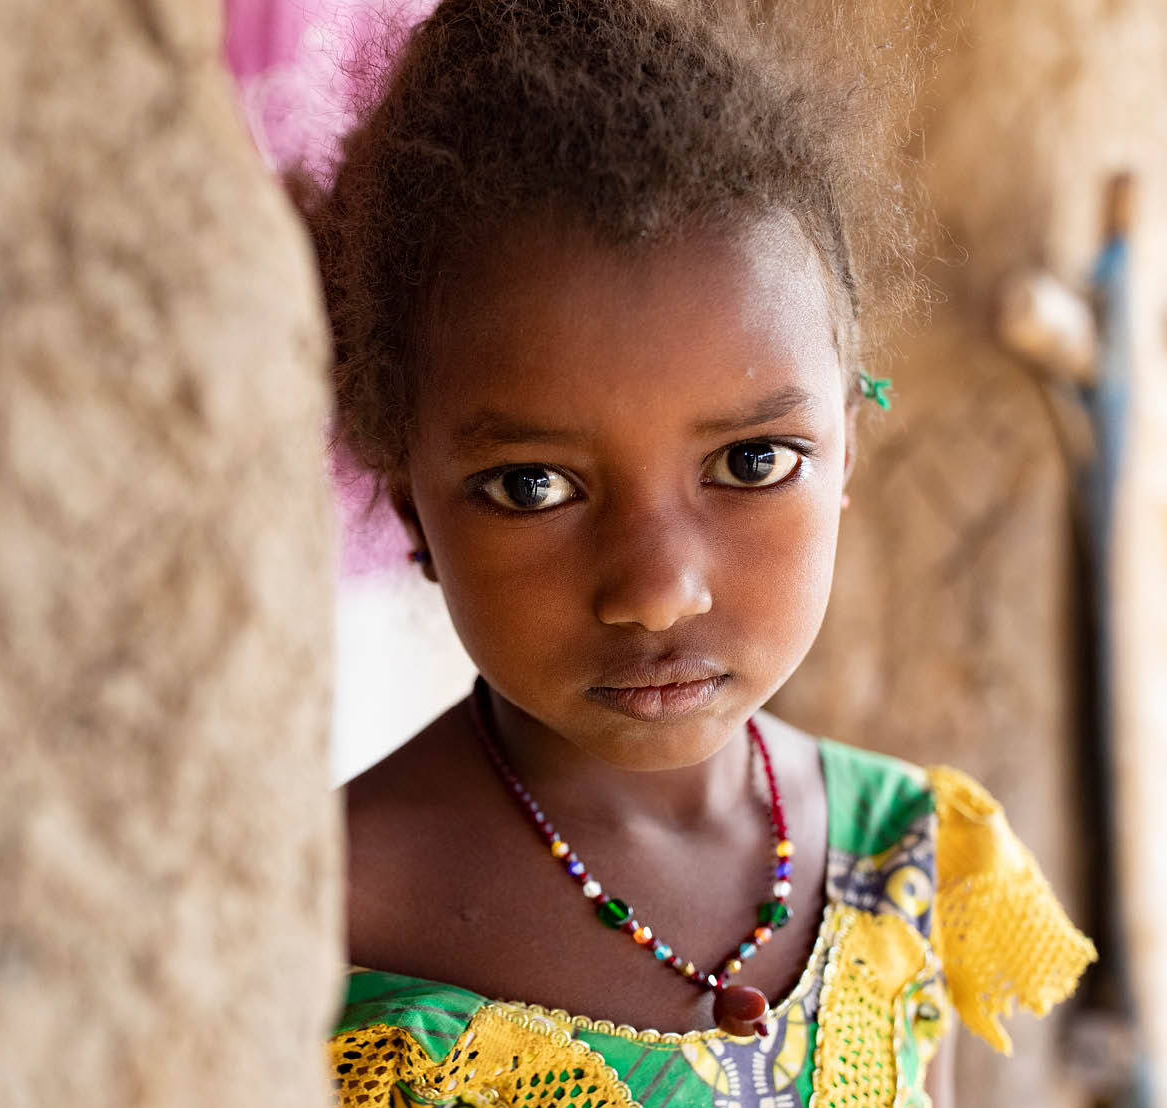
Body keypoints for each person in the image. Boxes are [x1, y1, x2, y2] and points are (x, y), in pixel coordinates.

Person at [302, 1, 1097, 1104]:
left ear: (847, 444)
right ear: (409, 507)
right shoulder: (317, 925)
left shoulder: (905, 860)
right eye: (532, 485)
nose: (658, 591)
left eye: (753, 461)